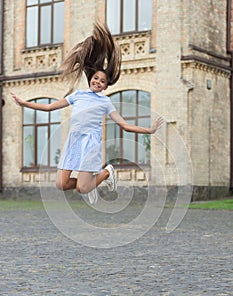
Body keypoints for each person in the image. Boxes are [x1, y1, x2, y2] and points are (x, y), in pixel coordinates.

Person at [11, 22, 163, 204]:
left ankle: (107, 172)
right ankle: (92, 183)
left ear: (107, 85)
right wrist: (23, 103)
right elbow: (49, 107)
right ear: (91, 78)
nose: (98, 82)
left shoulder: (105, 102)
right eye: (96, 78)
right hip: (74, 142)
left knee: (82, 188)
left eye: (102, 81)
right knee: (61, 183)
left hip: (90, 144)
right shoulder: (78, 95)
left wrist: (150, 130)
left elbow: (124, 125)